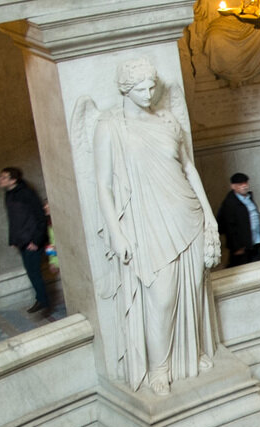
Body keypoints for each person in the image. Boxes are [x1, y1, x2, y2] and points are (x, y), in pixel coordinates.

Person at [92, 56, 223, 396]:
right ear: (125, 89)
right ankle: (159, 368)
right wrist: (117, 232)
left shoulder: (167, 121)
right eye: (140, 88)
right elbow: (103, 185)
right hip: (147, 222)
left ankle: (189, 354)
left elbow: (189, 169)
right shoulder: (110, 127)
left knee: (192, 290)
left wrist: (208, 215)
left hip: (186, 213)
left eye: (152, 87)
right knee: (161, 298)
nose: (148, 94)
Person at [0, 166, 52, 315]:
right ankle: (41, 300)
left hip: (32, 241)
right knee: (31, 272)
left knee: (35, 272)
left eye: (4, 177)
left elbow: (40, 217)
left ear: (13, 180)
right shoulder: (9, 195)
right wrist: (14, 240)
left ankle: (44, 302)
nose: (0, 180)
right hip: (22, 241)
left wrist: (36, 241)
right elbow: (14, 220)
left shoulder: (26, 194)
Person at [216, 172, 260, 267]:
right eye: (240, 184)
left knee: (257, 267)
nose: (244, 186)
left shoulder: (249, 198)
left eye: (245, 183)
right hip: (242, 247)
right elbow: (229, 227)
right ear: (233, 186)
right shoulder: (230, 203)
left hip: (254, 241)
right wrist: (236, 247)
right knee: (239, 268)